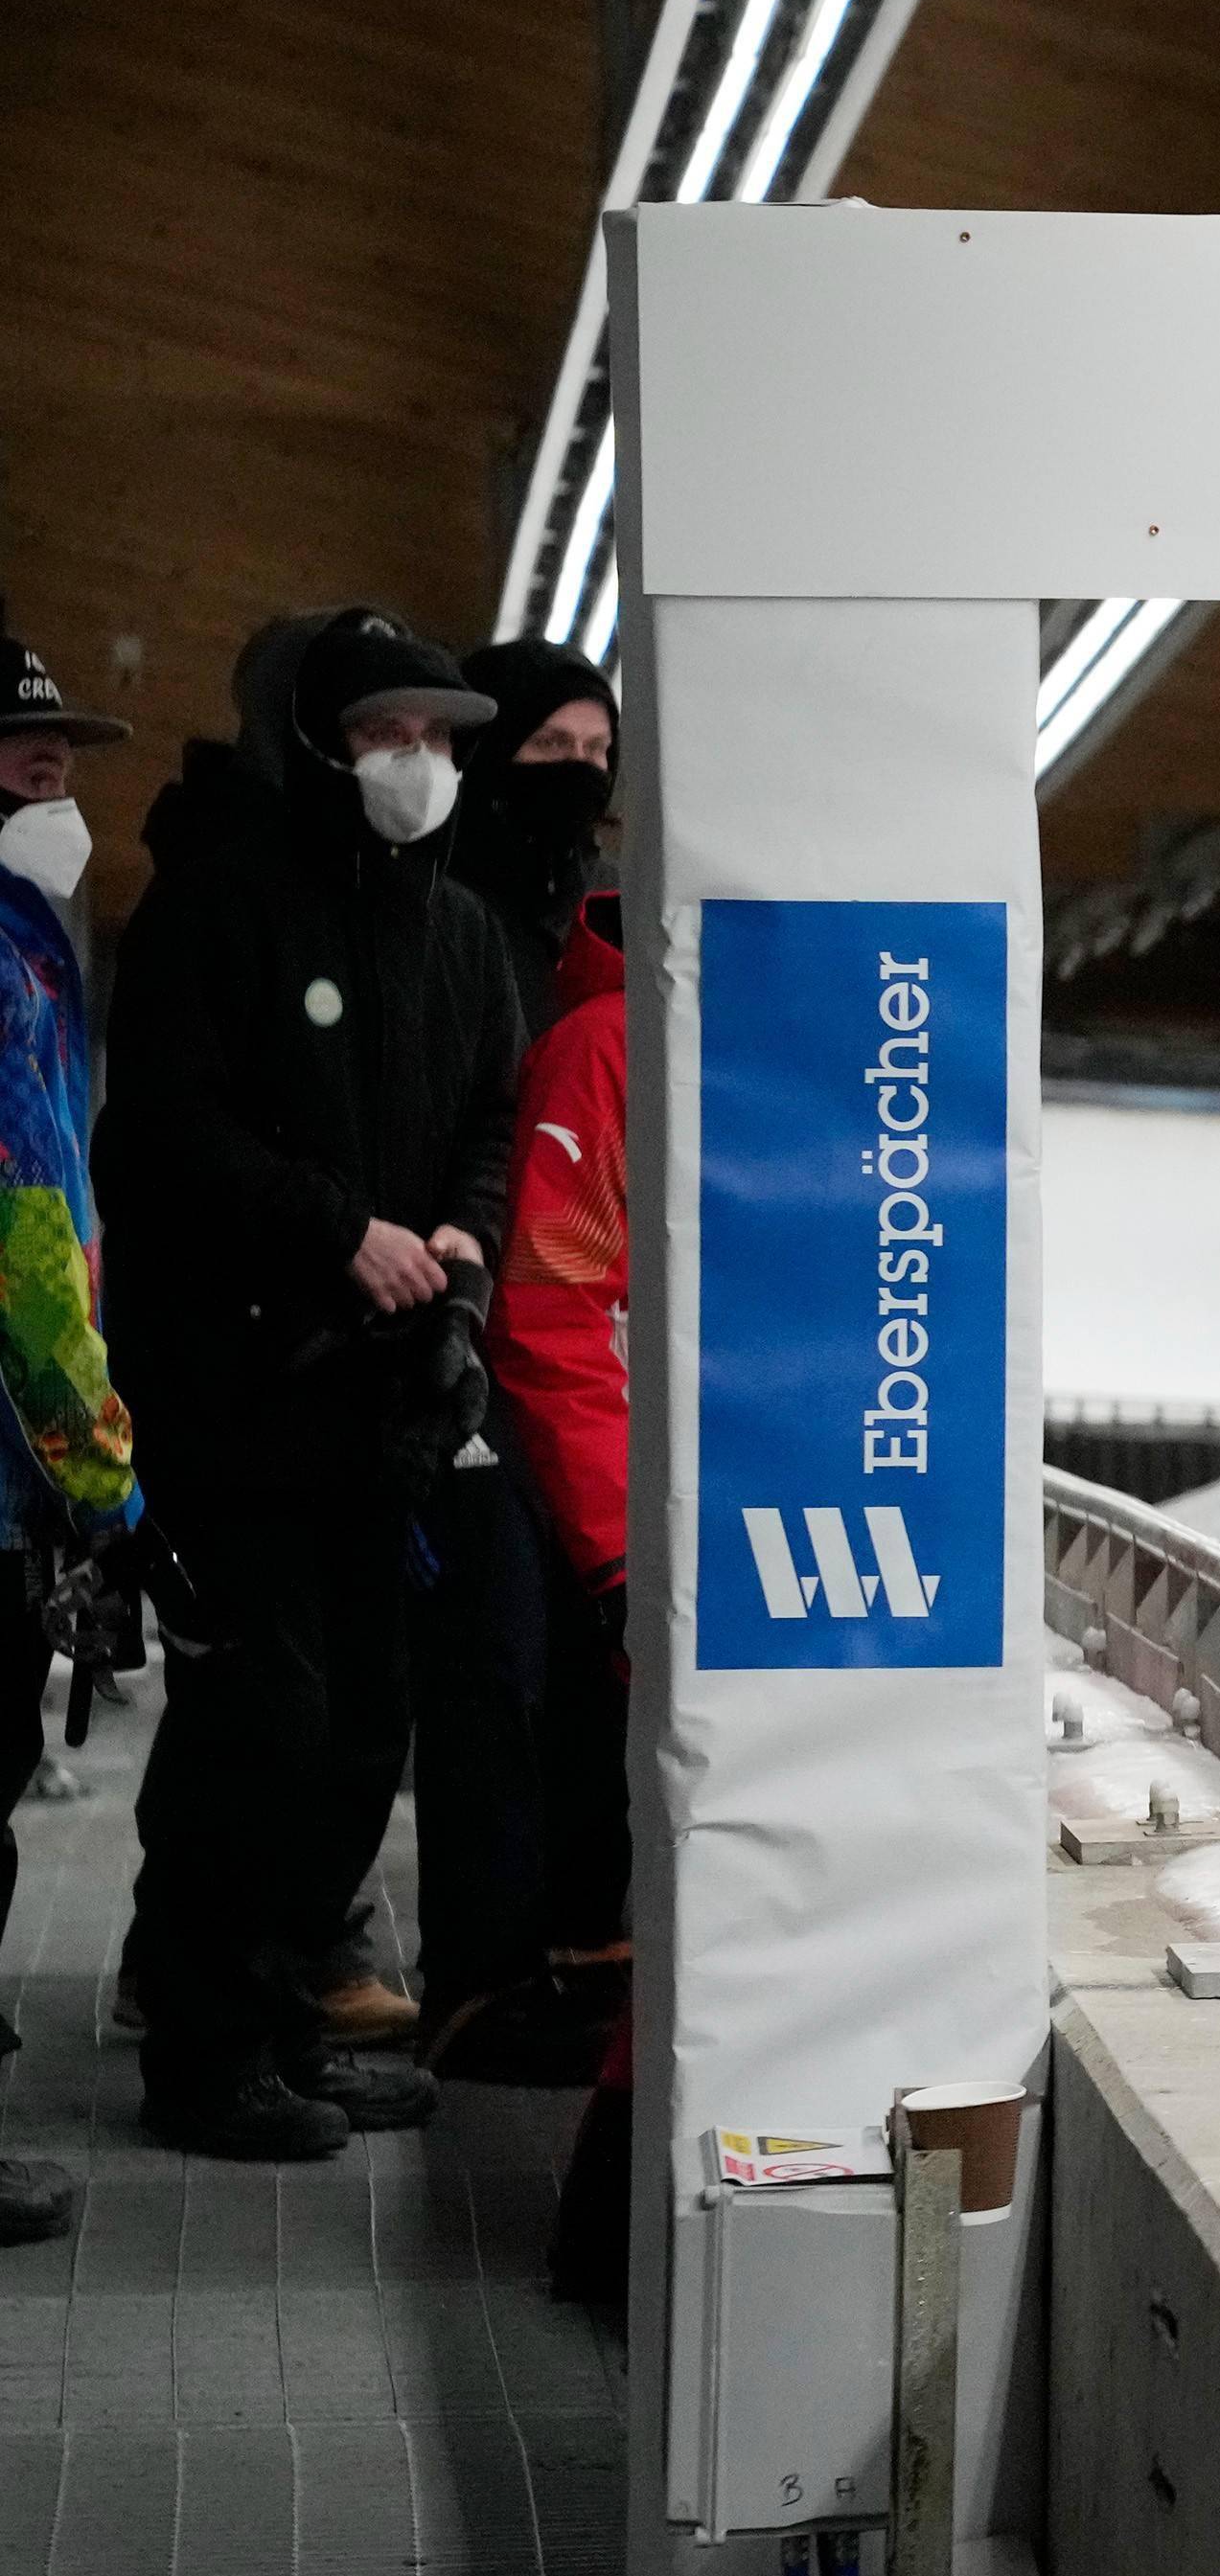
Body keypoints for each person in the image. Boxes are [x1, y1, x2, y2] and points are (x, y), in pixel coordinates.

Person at [96, 606, 520, 2159]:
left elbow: (489, 1110)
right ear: (319, 742)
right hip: (239, 1395)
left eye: (437, 738)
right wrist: (337, 1231)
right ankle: (203, 2049)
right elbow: (166, 1134)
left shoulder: (457, 931)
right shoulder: (221, 902)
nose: (418, 764)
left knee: (359, 1728)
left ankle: (280, 2019)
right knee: (254, 1721)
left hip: (383, 1408)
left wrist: (464, 1249)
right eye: (387, 734)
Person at [423, 883, 635, 2083]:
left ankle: (576, 1963)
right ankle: (498, 1992)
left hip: (596, 1457)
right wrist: (610, 1537)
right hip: (558, 1456)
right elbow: (556, 1304)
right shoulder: (602, 1049)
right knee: (525, 1699)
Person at [4, 626, 153, 2245]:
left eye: (58, 747)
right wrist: (100, 1476)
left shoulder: (29, 944)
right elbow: (26, 1249)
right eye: (18, 747)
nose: (52, 770)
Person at [436, 638, 617, 1032]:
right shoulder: (434, 902)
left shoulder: (616, 905)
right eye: (552, 743)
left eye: (597, 747)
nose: (579, 765)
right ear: (488, 752)